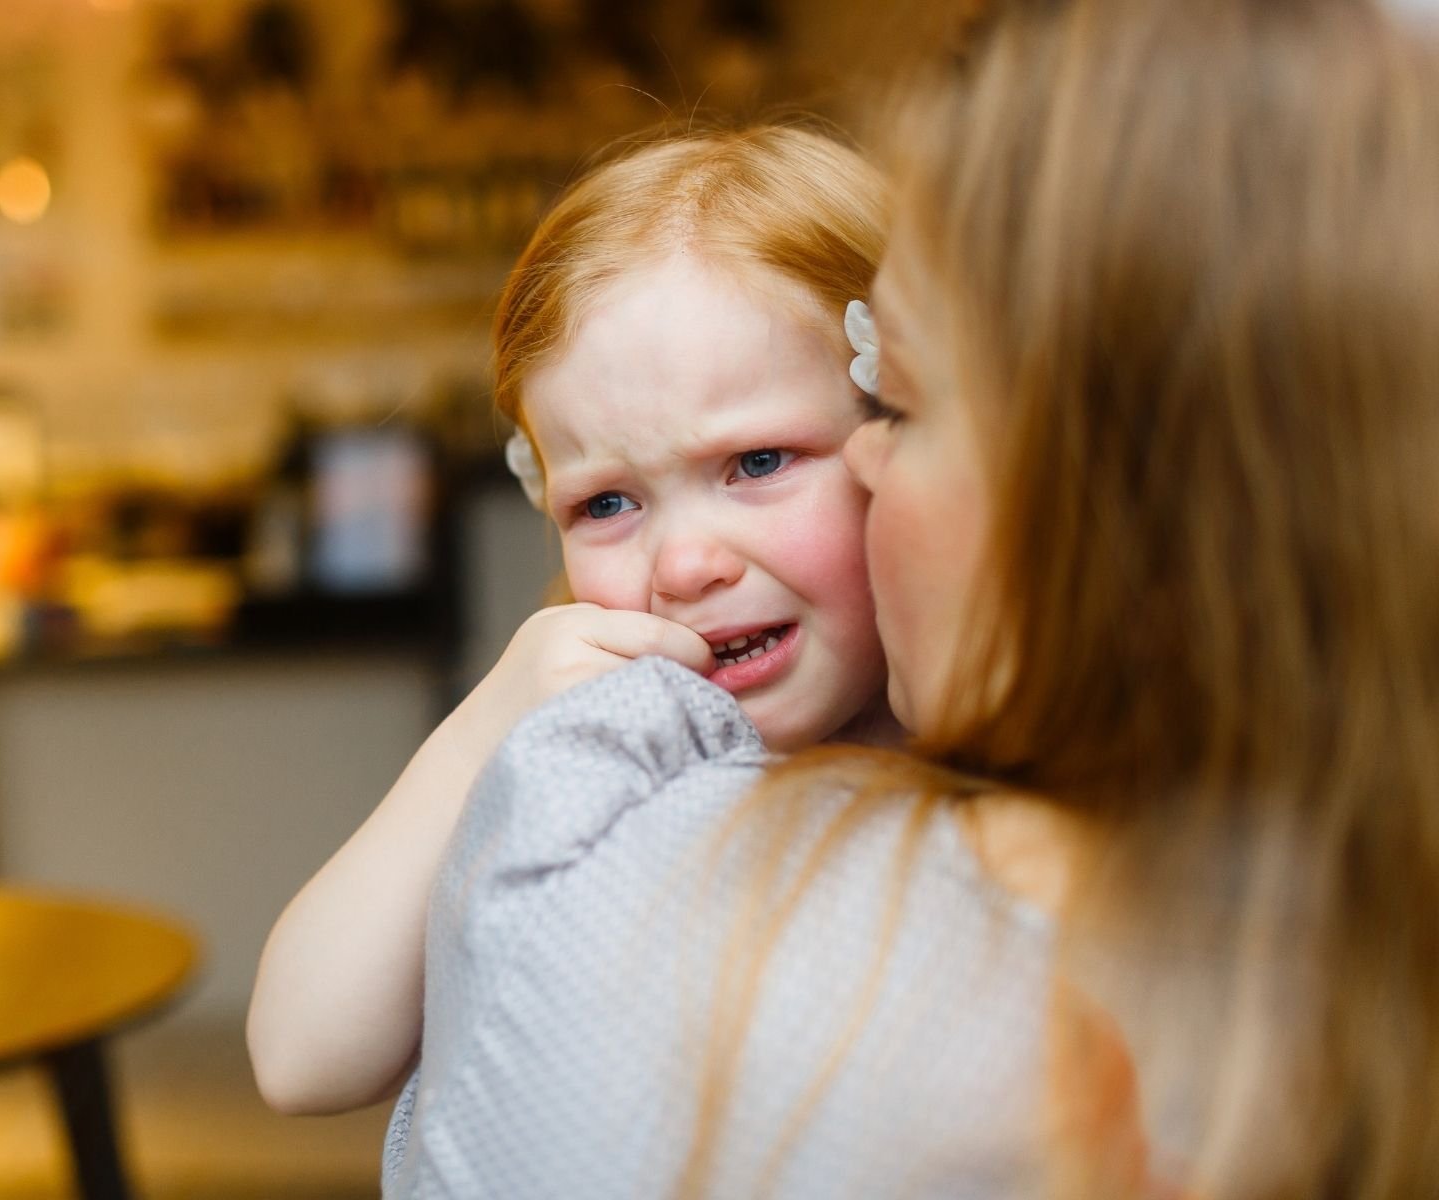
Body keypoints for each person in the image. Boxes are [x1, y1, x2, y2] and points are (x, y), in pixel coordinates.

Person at [381, 0, 1439, 1196]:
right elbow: (304, 1040)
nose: (870, 463)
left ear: (1129, 505)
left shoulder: (616, 899)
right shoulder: (1341, 940)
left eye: (901, 406)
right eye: (604, 503)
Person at [248, 125, 901, 1117]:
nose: (684, 565)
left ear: (902, 424)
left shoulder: (1007, 738)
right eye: (606, 505)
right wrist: (481, 733)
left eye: (757, 463)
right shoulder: (602, 753)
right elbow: (300, 1059)